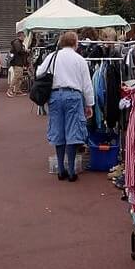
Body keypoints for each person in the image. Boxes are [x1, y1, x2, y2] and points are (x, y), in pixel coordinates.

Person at [36, 31, 94, 182]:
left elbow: (39, 72)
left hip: (55, 95)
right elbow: (87, 84)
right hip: (73, 95)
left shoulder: (52, 56)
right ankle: (72, 170)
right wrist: (89, 104)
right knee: (72, 132)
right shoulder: (80, 59)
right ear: (75, 43)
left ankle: (61, 169)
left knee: (58, 131)